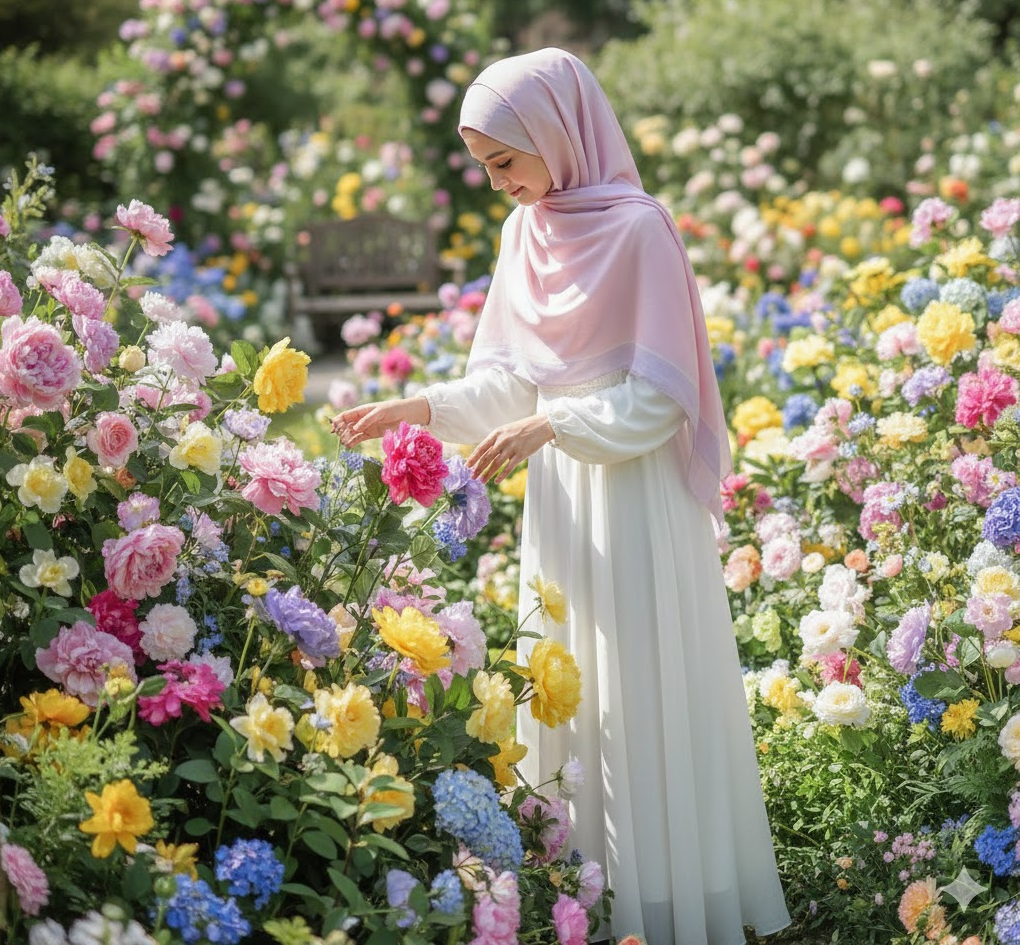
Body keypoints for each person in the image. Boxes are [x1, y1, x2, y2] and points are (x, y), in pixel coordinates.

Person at [332, 47, 791, 945]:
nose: (497, 182)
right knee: (572, 690)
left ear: (557, 133)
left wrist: (553, 426)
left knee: (645, 683)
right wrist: (418, 407)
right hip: (565, 508)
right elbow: (511, 380)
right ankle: (591, 898)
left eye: (506, 159)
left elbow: (660, 399)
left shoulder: (640, 230)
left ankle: (676, 902)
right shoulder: (524, 234)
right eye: (484, 166)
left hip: (636, 499)